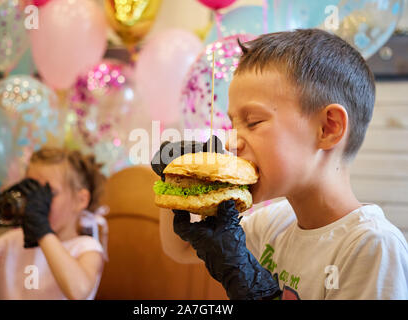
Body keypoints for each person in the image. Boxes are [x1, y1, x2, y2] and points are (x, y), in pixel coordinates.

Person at [159, 29, 408, 300]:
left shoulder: (371, 247)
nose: (231, 142)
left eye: (253, 121)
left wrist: (258, 293)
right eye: (232, 124)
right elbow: (181, 250)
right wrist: (177, 184)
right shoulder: (273, 224)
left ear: (327, 128)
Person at [0, 147, 108, 300]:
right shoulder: (14, 241)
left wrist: (41, 230)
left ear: (80, 200)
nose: (36, 203)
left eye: (49, 193)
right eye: (31, 192)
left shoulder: (86, 247)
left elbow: (79, 291)